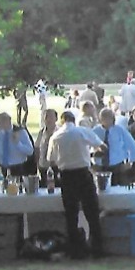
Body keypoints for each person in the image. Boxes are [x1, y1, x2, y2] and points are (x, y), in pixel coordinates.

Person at [47, 110, 107, 259]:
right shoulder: (82, 131)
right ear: (73, 120)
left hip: (66, 176)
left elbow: (51, 159)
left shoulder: (55, 136)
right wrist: (89, 155)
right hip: (83, 174)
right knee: (92, 213)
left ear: (61, 121)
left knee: (71, 215)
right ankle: (97, 248)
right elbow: (102, 147)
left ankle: (75, 250)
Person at [94, 107, 135, 185]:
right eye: (104, 118)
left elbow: (132, 146)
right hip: (100, 166)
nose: (106, 120)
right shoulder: (95, 131)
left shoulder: (120, 130)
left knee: (119, 189)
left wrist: (130, 162)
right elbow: (86, 147)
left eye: (109, 118)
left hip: (117, 165)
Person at [0, 111, 36, 178]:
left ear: (8, 121)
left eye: (0, 123)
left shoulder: (21, 132)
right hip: (2, 168)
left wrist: (18, 143)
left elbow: (30, 151)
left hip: (17, 168)